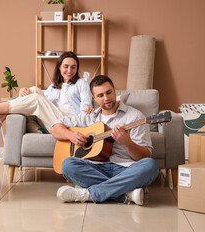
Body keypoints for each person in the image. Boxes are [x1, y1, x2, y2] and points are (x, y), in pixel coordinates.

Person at [50, 75, 159, 206]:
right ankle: (125, 193)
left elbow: (144, 156)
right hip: (95, 168)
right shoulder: (89, 117)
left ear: (114, 90)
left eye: (109, 92)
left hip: (125, 169)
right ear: (93, 98)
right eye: (100, 95)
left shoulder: (136, 117)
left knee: (150, 166)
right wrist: (70, 135)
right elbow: (54, 127)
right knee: (67, 165)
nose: (106, 98)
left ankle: (89, 194)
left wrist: (127, 143)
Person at [0, 51, 94, 132]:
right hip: (52, 118)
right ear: (59, 67)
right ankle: (0, 117)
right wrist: (23, 91)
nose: (69, 71)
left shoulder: (81, 83)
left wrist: (87, 111)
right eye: (66, 66)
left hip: (69, 122)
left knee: (36, 99)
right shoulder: (54, 86)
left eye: (73, 67)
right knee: (33, 90)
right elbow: (41, 98)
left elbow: (85, 109)